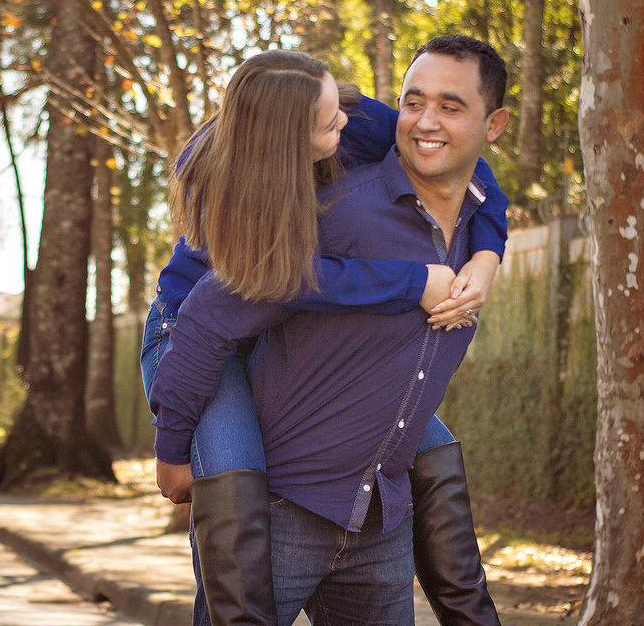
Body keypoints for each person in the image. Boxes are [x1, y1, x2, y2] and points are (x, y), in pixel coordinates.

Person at [149, 36, 510, 626]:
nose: (421, 120)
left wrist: (489, 256)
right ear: (290, 139)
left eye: (450, 106)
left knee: (430, 441)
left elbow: (477, 179)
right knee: (234, 473)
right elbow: (219, 310)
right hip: (188, 322)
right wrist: (171, 452)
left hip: (371, 512)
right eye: (417, 102)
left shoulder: (359, 121)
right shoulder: (250, 190)